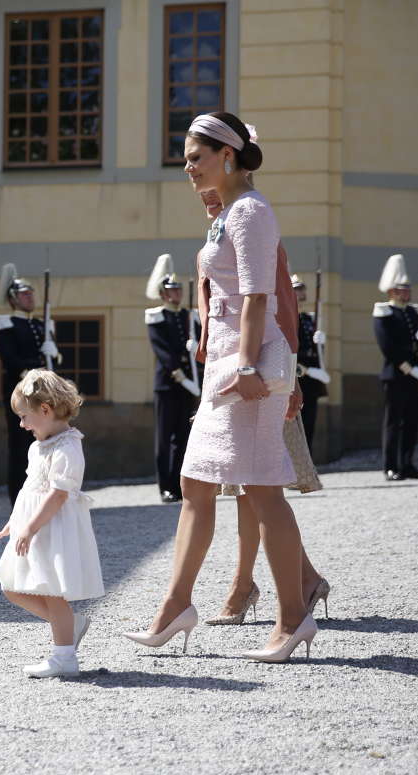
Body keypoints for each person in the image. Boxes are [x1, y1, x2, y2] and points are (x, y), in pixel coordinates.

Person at [123, 111, 317, 663]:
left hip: (246, 366)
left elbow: (259, 296)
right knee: (195, 485)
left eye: (195, 157)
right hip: (226, 365)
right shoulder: (227, 211)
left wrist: (252, 367)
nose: (187, 167)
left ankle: (293, 617)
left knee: (262, 491)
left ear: (226, 156)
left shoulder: (251, 211)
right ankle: (175, 607)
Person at [190, 192, 331, 626]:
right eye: (206, 196)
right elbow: (212, 326)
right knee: (246, 490)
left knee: (256, 489)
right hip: (225, 381)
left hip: (262, 379)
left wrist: (288, 380)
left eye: (217, 191)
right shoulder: (209, 248)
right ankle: (299, 580)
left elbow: (282, 307)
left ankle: (248, 586)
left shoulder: (255, 232)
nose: (210, 198)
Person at [0, 369, 104, 678]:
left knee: (52, 591)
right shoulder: (38, 446)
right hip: (34, 526)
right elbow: (30, 489)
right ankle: (70, 624)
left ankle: (64, 656)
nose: (22, 424)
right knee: (12, 588)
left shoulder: (68, 447)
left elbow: (57, 495)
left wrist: (30, 527)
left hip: (53, 528)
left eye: (25, 417)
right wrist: (15, 522)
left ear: (45, 410)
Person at [0, 263, 59, 505]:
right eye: (24, 294)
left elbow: (52, 362)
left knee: (47, 447)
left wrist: (55, 352)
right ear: (13, 298)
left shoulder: (41, 324)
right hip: (23, 397)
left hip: (45, 397)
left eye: (31, 294)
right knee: (21, 450)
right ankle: (19, 502)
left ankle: (43, 498)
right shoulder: (6, 324)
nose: (30, 298)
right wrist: (35, 377)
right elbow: (10, 360)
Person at [145, 254, 200, 502]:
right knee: (165, 438)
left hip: (191, 384)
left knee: (184, 437)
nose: (177, 293)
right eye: (172, 290)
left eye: (178, 289)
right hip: (169, 384)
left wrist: (196, 347)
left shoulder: (190, 316)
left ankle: (180, 485)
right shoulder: (156, 316)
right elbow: (162, 351)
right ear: (163, 293)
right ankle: (165, 486)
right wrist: (180, 375)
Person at [373, 254, 418, 481]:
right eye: (402, 289)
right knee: (393, 421)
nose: (407, 293)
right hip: (396, 374)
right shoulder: (384, 312)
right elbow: (387, 347)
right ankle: (391, 466)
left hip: (415, 375)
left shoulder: (412, 312)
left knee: (411, 421)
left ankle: (407, 463)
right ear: (391, 291)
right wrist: (409, 368)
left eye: (408, 289)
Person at [292, 273, 330, 451]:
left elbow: (314, 353)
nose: (301, 292)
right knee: (295, 427)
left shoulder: (308, 319)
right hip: (297, 378)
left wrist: (320, 344)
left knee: (309, 425)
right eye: (297, 289)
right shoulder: (287, 319)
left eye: (302, 288)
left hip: (312, 381)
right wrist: (305, 371)